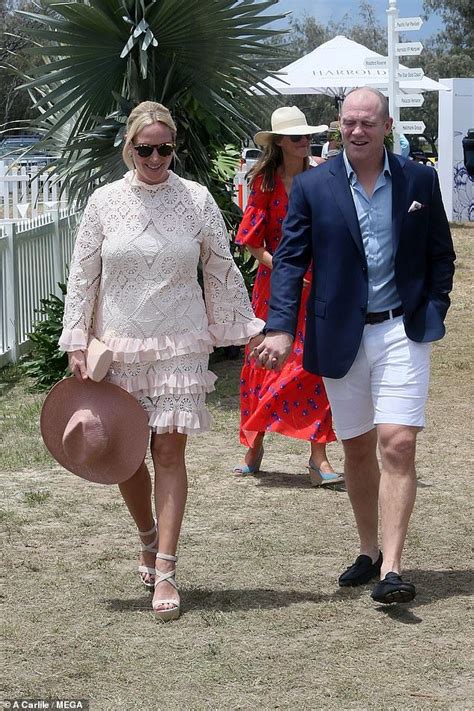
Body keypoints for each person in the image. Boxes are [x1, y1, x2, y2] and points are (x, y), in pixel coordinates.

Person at [59, 101, 264, 621]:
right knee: (125, 455)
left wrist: (235, 327)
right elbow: (84, 276)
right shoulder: (103, 203)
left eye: (165, 148)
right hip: (118, 346)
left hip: (179, 343)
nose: (155, 157)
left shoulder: (196, 200)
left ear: (175, 147)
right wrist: (77, 339)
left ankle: (167, 569)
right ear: (130, 147)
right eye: (145, 148)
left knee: (170, 453)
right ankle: (147, 536)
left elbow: (219, 266)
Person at [252, 87, 455, 604]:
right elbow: (291, 259)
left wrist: (433, 309)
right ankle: (367, 551)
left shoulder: (419, 179)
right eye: (348, 123)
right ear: (338, 126)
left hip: (400, 330)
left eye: (368, 122)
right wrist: (279, 326)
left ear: (387, 126)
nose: (357, 131)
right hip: (339, 332)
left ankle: (392, 567)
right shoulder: (314, 186)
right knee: (358, 445)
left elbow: (441, 255)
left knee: (398, 442)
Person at [234, 106, 343, 486]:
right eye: (296, 137)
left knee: (314, 366)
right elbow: (251, 242)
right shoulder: (264, 182)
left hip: (317, 288)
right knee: (266, 362)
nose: (304, 142)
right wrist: (288, 272)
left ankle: (318, 458)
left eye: (307, 136)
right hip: (275, 289)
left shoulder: (322, 178)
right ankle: (254, 444)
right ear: (280, 142)